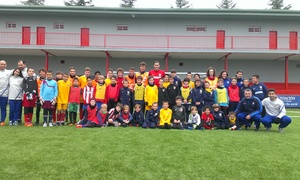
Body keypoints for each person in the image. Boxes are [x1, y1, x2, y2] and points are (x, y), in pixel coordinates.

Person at [0, 60, 13, 126]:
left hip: (4, 94)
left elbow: (19, 70)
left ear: (6, 65)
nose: (3, 65)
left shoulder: (9, 72)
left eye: (4, 64)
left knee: (3, 108)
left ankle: (2, 121)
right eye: (1, 64)